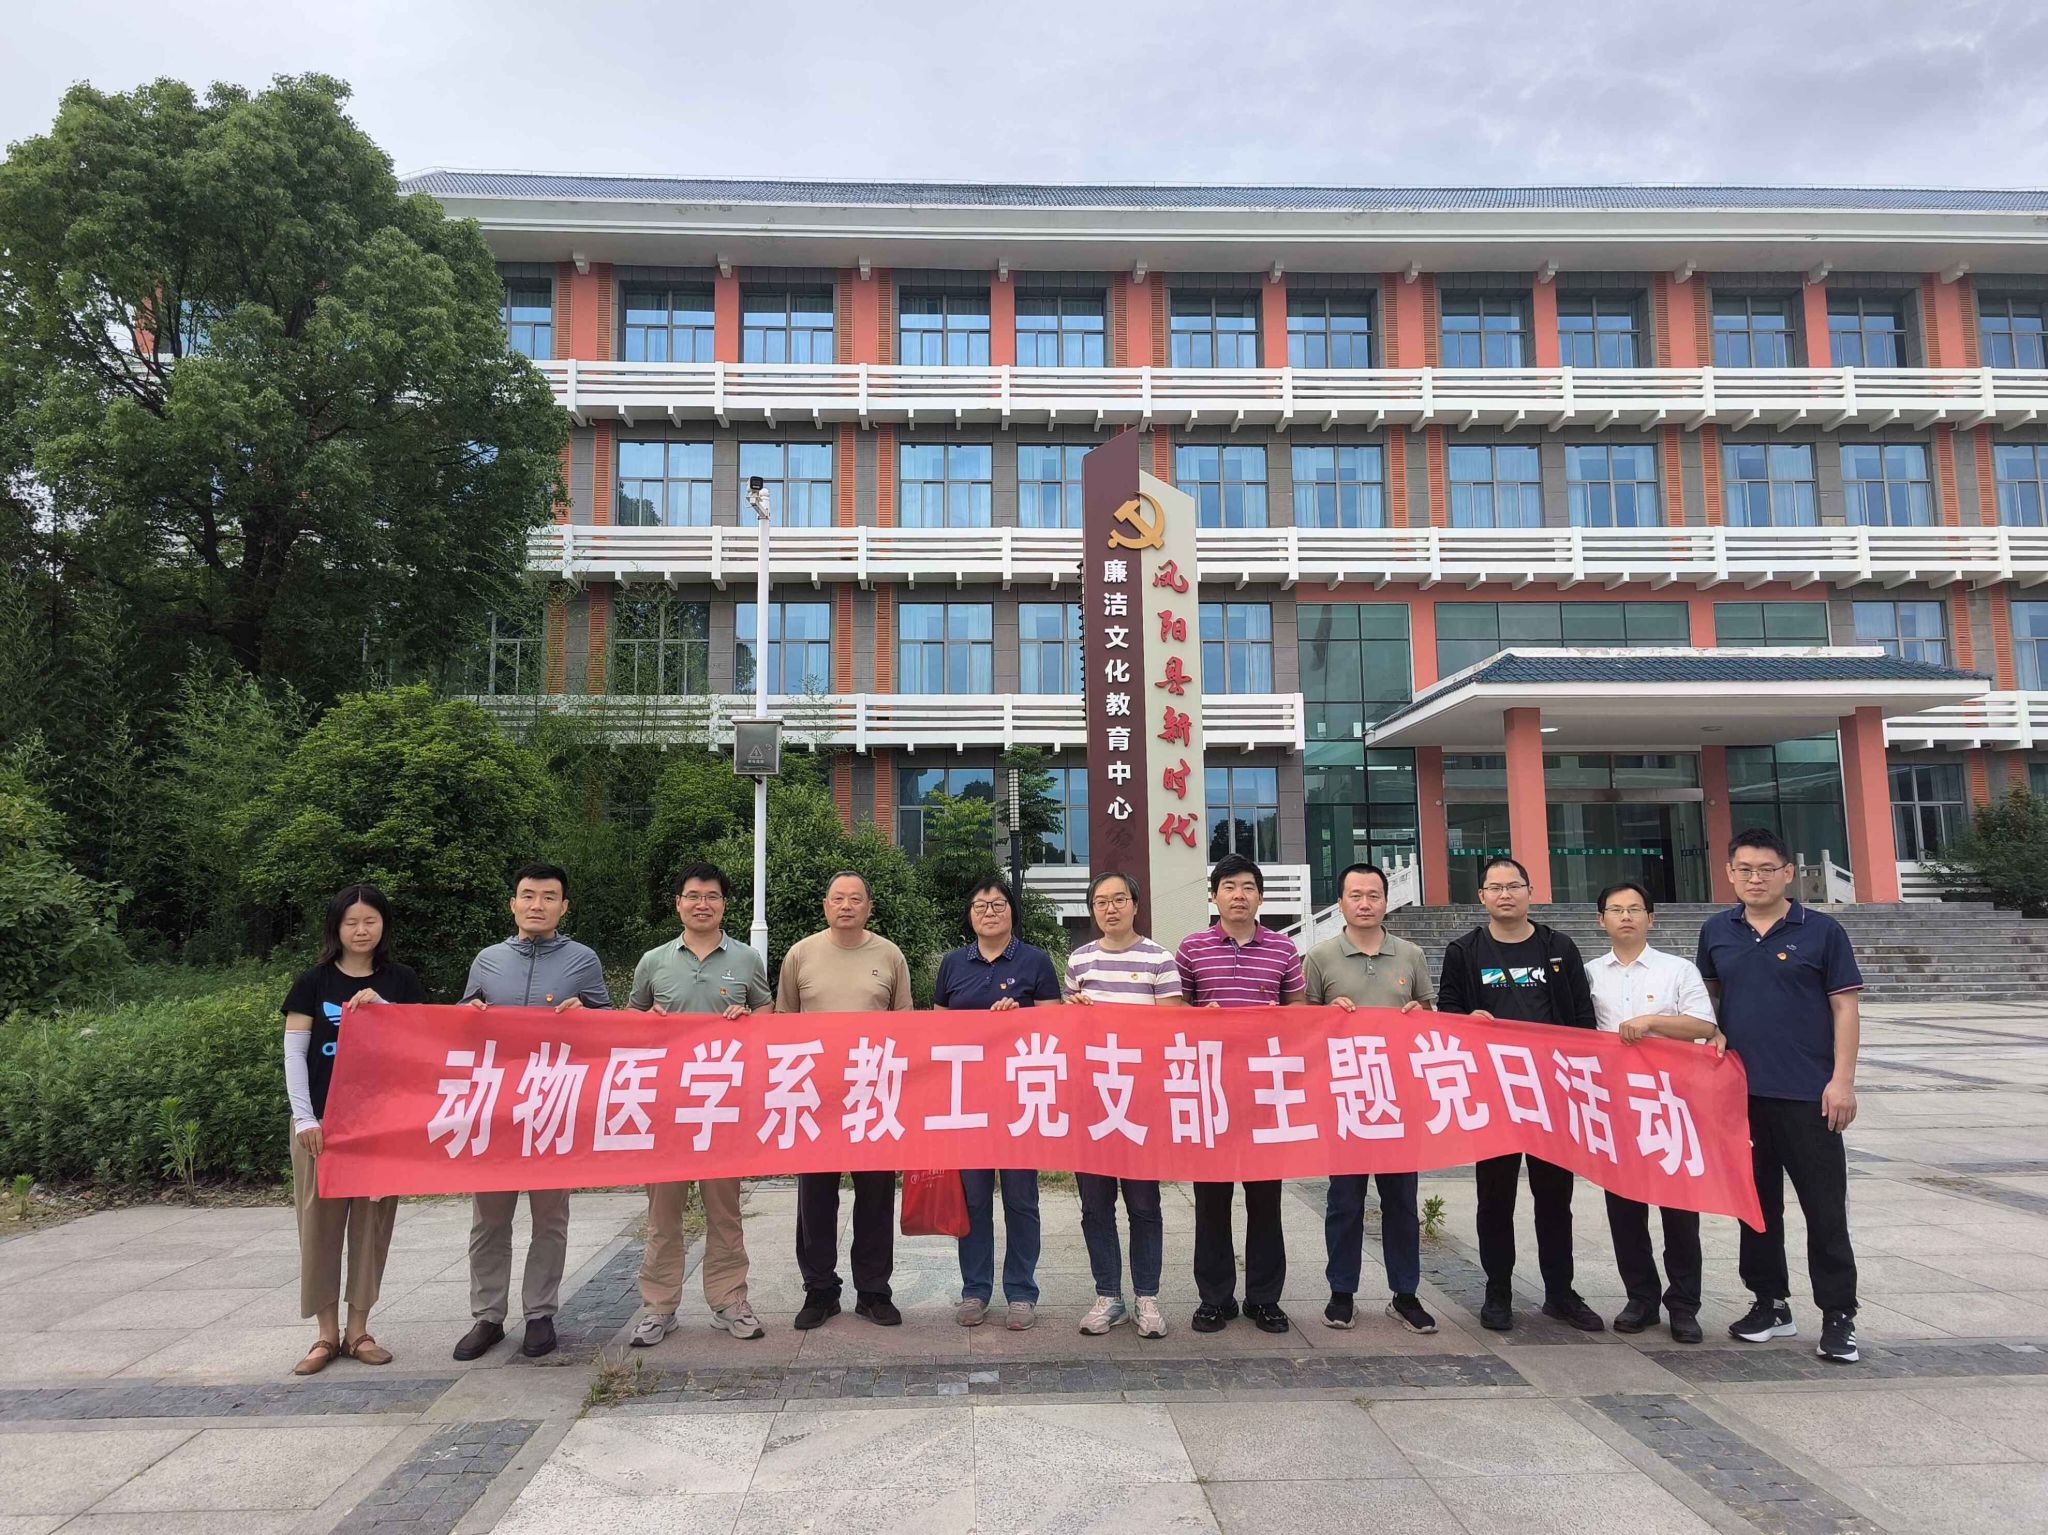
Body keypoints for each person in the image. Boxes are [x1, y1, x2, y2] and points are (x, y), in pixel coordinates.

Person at [1697, 828, 1865, 1365]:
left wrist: (1842, 1081)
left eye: (1766, 869)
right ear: (1729, 874)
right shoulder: (1716, 931)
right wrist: (1708, 1036)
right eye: (1744, 869)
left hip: (1809, 1096)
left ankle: (1838, 1315)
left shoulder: (1822, 931)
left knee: (1824, 1209)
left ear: (1787, 873)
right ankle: (1769, 1303)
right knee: (1756, 1206)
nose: (1755, 878)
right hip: (1741, 1096)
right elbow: (1709, 1002)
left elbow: (1845, 1008)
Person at [452, 862, 612, 1361]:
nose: (537, 905)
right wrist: (466, 1015)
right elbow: (459, 1026)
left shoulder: (582, 960)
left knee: (550, 1217)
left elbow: (610, 1026)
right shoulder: (488, 960)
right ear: (513, 904)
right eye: (528, 895)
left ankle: (540, 1313)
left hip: (551, 1106)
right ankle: (487, 1316)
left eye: (548, 897)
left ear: (564, 907)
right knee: (489, 1219)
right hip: (495, 1108)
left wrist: (587, 1017)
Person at [1437, 855, 1603, 1334]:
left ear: (1530, 892)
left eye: (1514, 886)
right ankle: (1498, 1291)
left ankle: (1560, 1292)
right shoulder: (1464, 951)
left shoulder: (1558, 947)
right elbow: (1447, 1013)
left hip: (1552, 1093)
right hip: (1494, 1095)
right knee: (1494, 1199)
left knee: (1555, 1198)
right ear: (1482, 897)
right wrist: (1467, 1022)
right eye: (1495, 887)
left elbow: (1582, 1019)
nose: (1505, 894)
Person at [282, 885, 427, 1375]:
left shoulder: (401, 981)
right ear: (336, 927)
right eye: (351, 922)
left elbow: (419, 1047)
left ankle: (358, 1330)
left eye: (370, 921)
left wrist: (385, 1009)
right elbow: (294, 1054)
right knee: (318, 1229)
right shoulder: (313, 982)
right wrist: (305, 1117)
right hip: (321, 1126)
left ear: (383, 925)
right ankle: (325, 1335)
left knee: (371, 1228)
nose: (361, 930)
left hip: (378, 1128)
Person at [627, 862, 772, 1348]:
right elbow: (631, 1019)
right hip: (667, 1108)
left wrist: (749, 1018)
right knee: (662, 1216)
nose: (702, 904)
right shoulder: (654, 961)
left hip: (722, 1106)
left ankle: (729, 1301)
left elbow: (767, 1013)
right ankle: (658, 1307)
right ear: (678, 904)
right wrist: (647, 1021)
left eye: (711, 896)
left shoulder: (747, 959)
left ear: (724, 905)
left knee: (724, 1212)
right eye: (693, 896)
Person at [1302, 862, 1438, 1336]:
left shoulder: (1411, 954)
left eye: (1373, 895)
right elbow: (1303, 1024)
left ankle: (1405, 1294)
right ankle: (1342, 1292)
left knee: (1401, 1201)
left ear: (1386, 900)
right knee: (1345, 1201)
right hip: (1345, 1098)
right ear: (1340, 902)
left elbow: (1430, 1015)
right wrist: (1328, 1014)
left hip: (1399, 1099)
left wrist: (1419, 1013)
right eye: (1355, 895)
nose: (1365, 904)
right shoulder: (1320, 956)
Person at [1586, 880, 1724, 1345]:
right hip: (1614, 1106)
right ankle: (1640, 1299)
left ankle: (1684, 1305)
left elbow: (1703, 1024)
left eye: (1634, 909)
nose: (1625, 916)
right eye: (1615, 909)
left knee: (1679, 1210)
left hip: (1672, 1106)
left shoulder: (1677, 970)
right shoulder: (1589, 975)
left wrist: (1651, 1023)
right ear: (1601, 920)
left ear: (1651, 918)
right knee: (1624, 1208)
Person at [1174, 853, 1305, 1335]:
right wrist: (1197, 1018)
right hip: (1210, 1092)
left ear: (1260, 897)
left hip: (1266, 1095)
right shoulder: (1191, 948)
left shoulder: (1283, 949)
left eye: (1248, 887)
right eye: (1229, 887)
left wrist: (1280, 1018)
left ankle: (1264, 1299)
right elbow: (1174, 1011)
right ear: (1214, 896)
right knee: (1211, 1202)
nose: (1239, 895)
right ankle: (1215, 1298)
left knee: (1266, 1201)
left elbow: (1300, 1009)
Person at [779, 870, 914, 1331]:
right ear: (825, 905)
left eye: (856, 899)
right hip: (816, 1097)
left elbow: (905, 1026)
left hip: (872, 1094)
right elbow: (783, 1023)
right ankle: (820, 1290)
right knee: (815, 1198)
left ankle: (873, 1291)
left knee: (875, 1196)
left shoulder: (889, 955)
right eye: (838, 898)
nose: (846, 906)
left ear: (869, 907)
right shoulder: (801, 954)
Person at [934, 875, 1061, 1331]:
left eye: (998, 904)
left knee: (1021, 1199)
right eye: (980, 906)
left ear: (1012, 911)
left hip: (1020, 1100)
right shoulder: (953, 964)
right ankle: (975, 1290)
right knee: (972, 1201)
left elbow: (1054, 1029)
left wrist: (1018, 1018)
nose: (989, 912)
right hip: (968, 1101)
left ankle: (1022, 1293)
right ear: (970, 916)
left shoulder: (1035, 961)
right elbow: (937, 1032)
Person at [1065, 871, 1183, 1340]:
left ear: (1135, 904)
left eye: (1119, 900)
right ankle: (1108, 1296)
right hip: (1091, 1102)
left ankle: (1147, 1298)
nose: (1110, 909)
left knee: (1144, 1205)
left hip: (1140, 1103)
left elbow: (1172, 1028)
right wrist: (1075, 1014)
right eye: (1101, 902)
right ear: (1092, 910)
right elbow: (1069, 1032)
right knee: (1095, 1206)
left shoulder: (1159, 959)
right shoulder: (1080, 960)